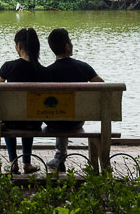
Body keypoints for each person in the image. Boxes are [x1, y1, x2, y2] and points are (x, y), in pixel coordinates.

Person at [44, 28, 103, 172]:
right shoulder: (84, 67)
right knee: (67, 112)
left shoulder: (47, 72)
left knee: (58, 112)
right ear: (67, 47)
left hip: (54, 121)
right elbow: (102, 86)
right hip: (77, 120)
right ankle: (94, 164)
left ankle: (60, 156)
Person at [0, 27, 45, 174]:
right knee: (30, 114)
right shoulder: (42, 70)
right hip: (34, 122)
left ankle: (13, 162)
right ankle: (27, 163)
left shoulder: (8, 67)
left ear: (20, 46)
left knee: (9, 116)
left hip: (11, 121)